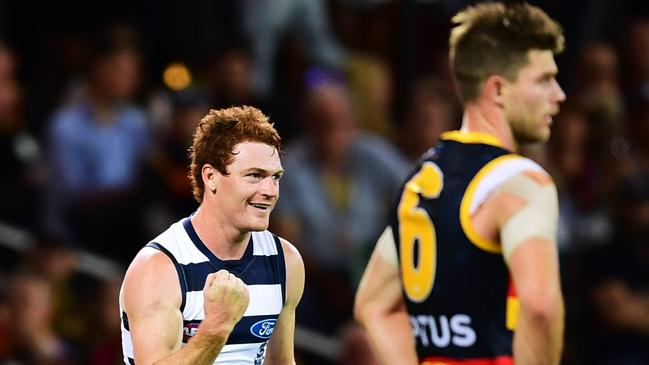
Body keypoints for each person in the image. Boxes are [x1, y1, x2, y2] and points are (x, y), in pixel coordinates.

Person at [354, 2, 566, 364]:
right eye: (544, 79)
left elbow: (373, 304)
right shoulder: (522, 182)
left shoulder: (419, 181)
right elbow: (540, 306)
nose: (559, 94)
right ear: (498, 90)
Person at [119, 106, 304, 365]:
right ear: (210, 176)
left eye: (275, 177)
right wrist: (217, 326)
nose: (270, 190)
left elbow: (281, 362)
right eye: (254, 176)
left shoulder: (285, 261)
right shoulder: (159, 268)